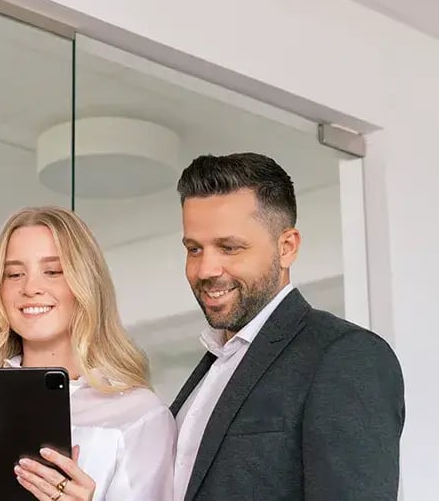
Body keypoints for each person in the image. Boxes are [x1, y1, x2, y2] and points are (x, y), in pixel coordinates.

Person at [170, 152, 405, 501]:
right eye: (194, 249)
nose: (206, 269)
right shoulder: (210, 371)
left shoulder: (345, 356)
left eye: (229, 247)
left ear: (287, 247)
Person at [0, 206, 175, 501]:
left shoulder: (140, 415)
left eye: (52, 271)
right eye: (14, 274)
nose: (30, 287)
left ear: (85, 283)